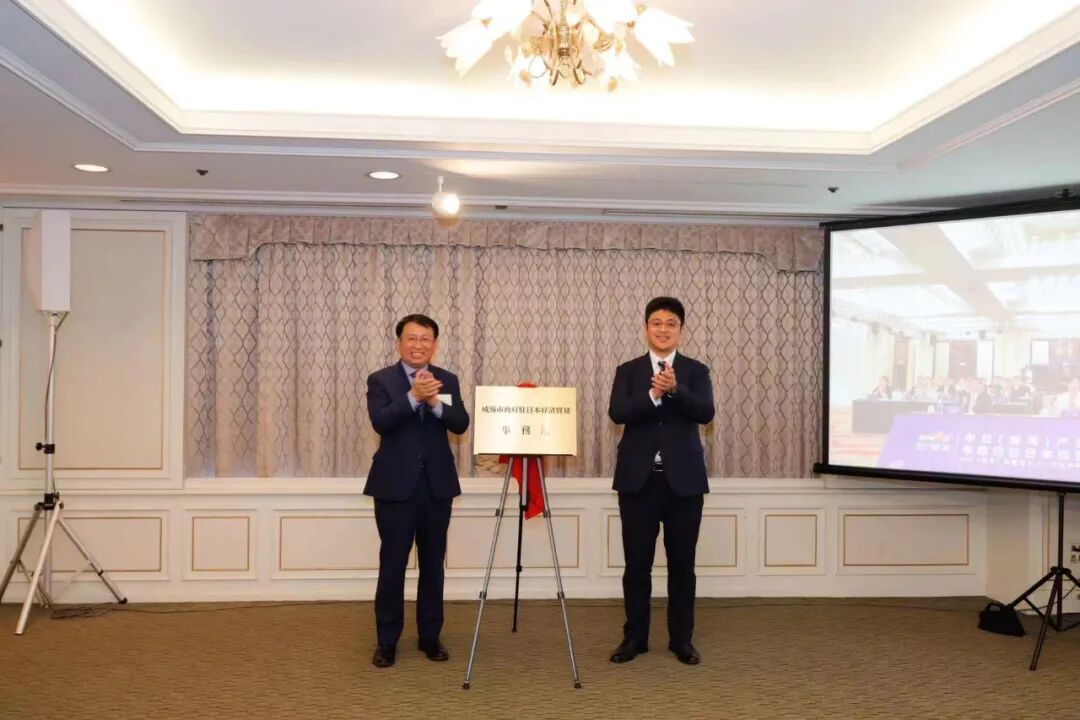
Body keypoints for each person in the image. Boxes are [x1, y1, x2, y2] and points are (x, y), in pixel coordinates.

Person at [607, 297, 715, 666]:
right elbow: (617, 412)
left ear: (681, 330)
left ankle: (681, 640)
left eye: (671, 323)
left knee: (682, 565)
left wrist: (675, 390)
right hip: (638, 483)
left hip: (684, 484)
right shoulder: (628, 371)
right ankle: (634, 639)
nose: (663, 329)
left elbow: (705, 412)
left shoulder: (696, 371)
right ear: (646, 328)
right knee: (637, 565)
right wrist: (653, 394)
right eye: (657, 323)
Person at [365, 314, 470, 668]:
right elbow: (381, 421)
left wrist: (435, 402)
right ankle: (387, 642)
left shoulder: (447, 380)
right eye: (411, 338)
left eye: (425, 339)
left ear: (434, 344)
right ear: (399, 342)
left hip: (436, 486)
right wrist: (412, 397)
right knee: (392, 565)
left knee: (433, 565)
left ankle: (430, 637)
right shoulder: (381, 380)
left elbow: (460, 423)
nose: (418, 345)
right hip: (395, 486)